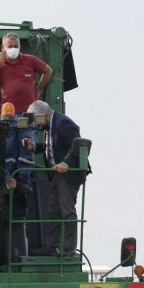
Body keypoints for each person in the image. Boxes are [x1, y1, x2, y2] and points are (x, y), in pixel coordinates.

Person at [0, 33, 53, 195]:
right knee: (8, 148)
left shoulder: (30, 60)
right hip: (8, 115)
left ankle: (23, 181)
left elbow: (47, 70)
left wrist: (39, 88)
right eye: (10, 46)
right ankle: (7, 180)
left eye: (16, 46)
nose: (13, 49)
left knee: (26, 146)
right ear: (3, 48)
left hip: (28, 115)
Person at [23, 100, 89, 257]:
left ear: (44, 115)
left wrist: (66, 163)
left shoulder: (63, 124)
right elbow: (51, 147)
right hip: (56, 174)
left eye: (35, 118)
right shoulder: (49, 126)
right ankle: (51, 247)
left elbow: (78, 145)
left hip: (68, 174)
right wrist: (35, 147)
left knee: (67, 210)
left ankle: (69, 250)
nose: (35, 123)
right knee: (53, 211)